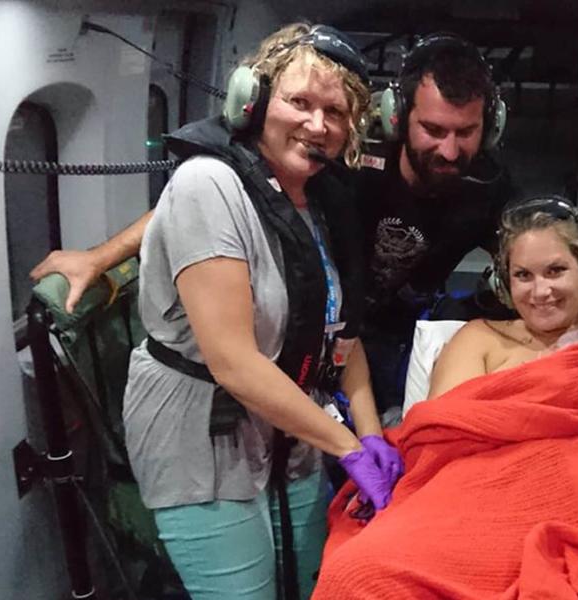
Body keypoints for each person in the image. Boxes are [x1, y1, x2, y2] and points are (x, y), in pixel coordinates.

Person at [30, 33, 578, 420]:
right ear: (397, 117)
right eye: (434, 130)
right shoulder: (342, 164)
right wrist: (99, 255)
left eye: (466, 133)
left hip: (400, 329)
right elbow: (219, 198)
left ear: (489, 128)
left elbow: (542, 254)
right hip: (326, 325)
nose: (449, 150)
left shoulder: (487, 185)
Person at [120, 23, 401, 600]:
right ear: (253, 100)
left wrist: (373, 436)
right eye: (299, 102)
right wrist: (347, 447)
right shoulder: (208, 185)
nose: (317, 125)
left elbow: (341, 335)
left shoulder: (322, 199)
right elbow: (232, 362)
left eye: (336, 112)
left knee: (314, 584)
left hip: (291, 433)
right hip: (202, 439)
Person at [428, 197, 578, 399]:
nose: (540, 291)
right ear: (504, 284)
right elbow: (442, 425)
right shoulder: (479, 338)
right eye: (523, 275)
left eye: (555, 270)